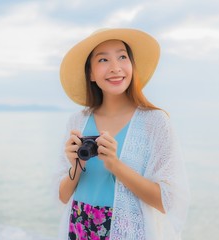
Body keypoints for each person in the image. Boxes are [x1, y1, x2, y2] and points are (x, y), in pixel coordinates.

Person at [52, 28, 190, 240]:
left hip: (127, 230)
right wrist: (76, 167)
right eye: (103, 60)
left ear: (132, 66)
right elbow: (62, 196)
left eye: (122, 57)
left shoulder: (155, 122)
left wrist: (115, 165)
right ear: (90, 73)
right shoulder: (78, 121)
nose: (115, 68)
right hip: (79, 225)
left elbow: (168, 201)